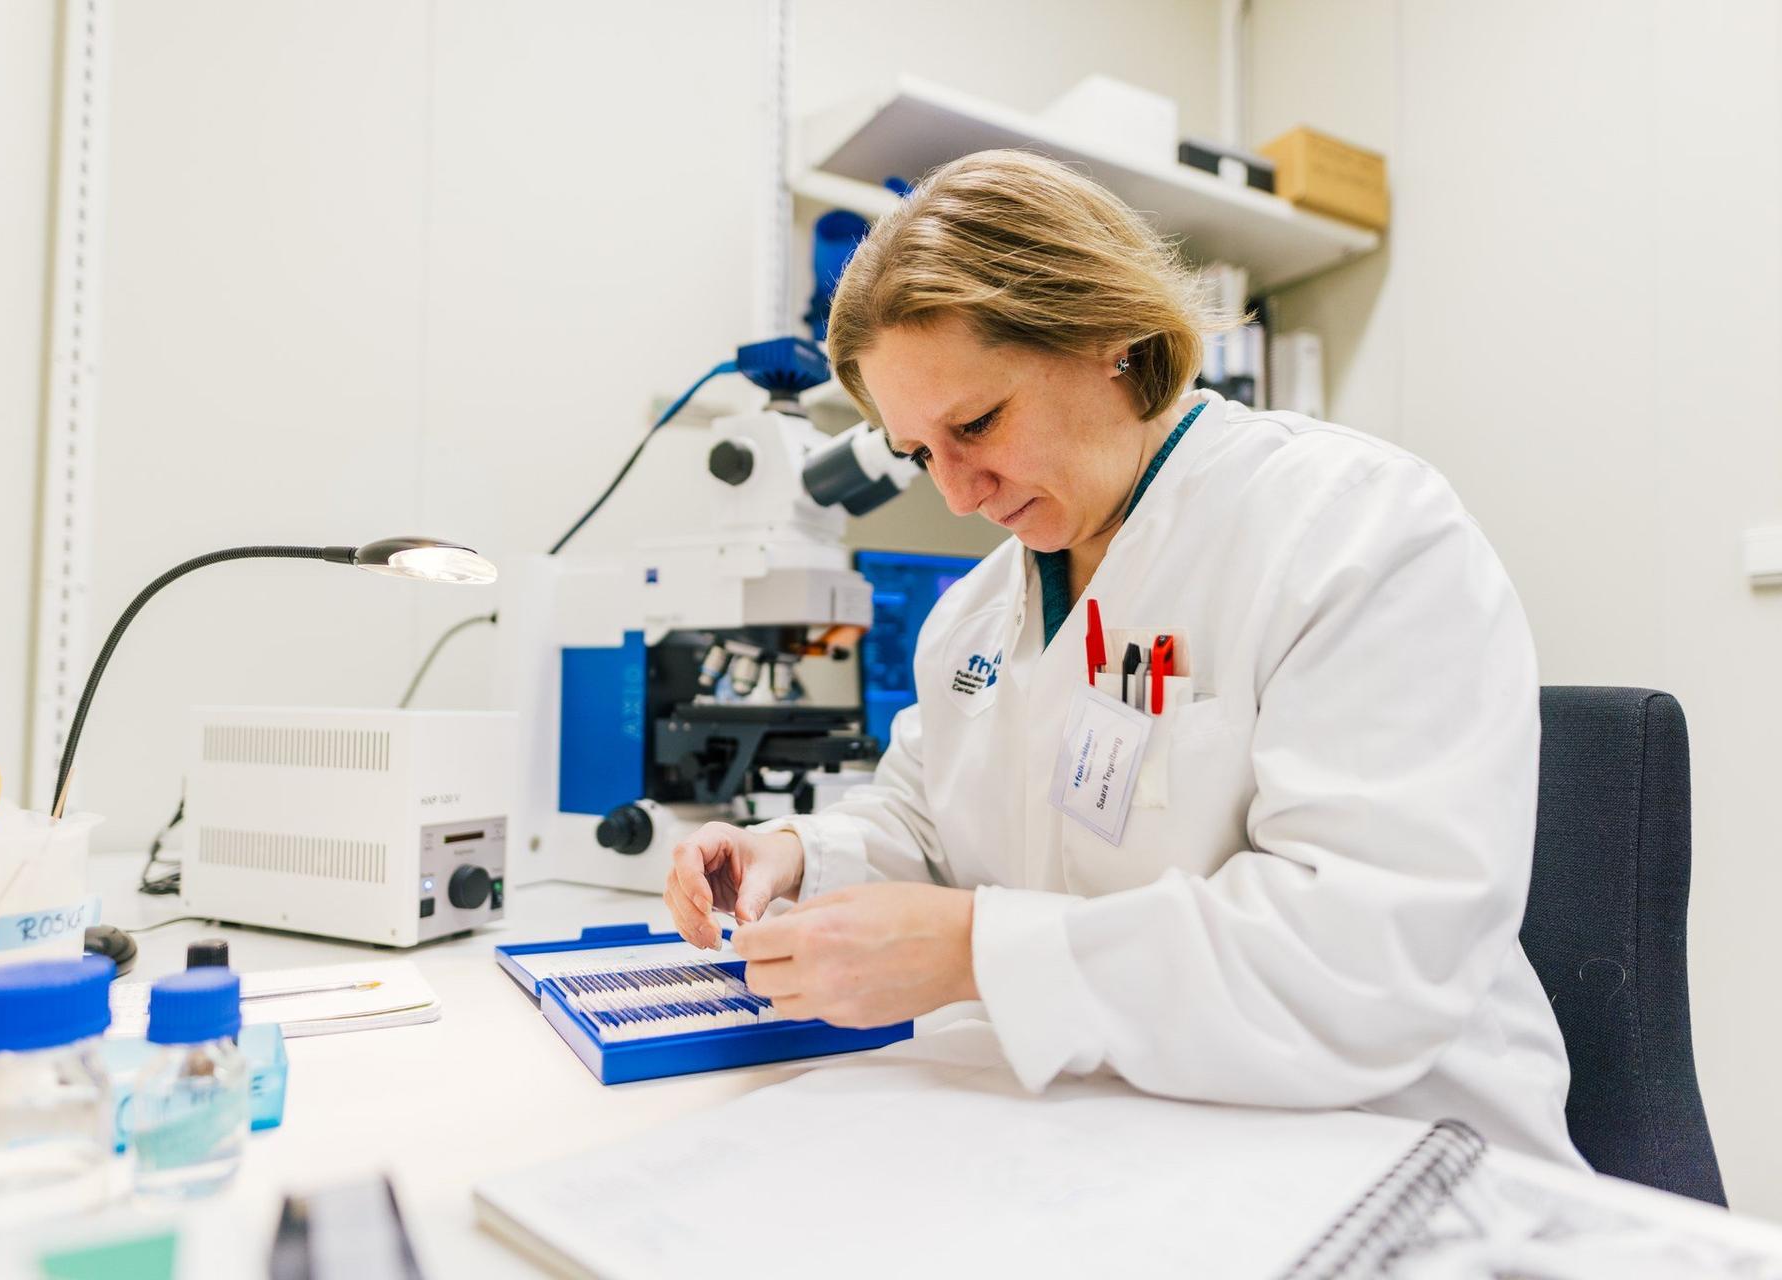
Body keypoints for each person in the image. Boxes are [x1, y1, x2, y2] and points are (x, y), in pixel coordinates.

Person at [663, 149, 1580, 1164]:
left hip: (1388, 1149)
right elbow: (927, 819)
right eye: (922, 452)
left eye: (977, 422)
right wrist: (796, 854)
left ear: (1108, 331)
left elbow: (1364, 958)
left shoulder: (1353, 528)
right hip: (1115, 1134)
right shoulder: (973, 615)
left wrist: (975, 949)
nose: (959, 494)